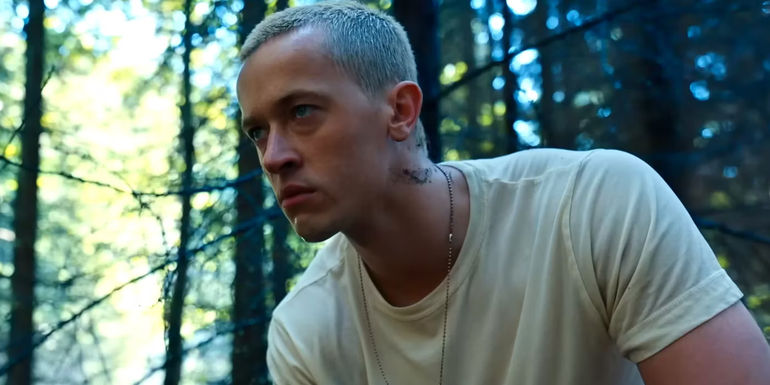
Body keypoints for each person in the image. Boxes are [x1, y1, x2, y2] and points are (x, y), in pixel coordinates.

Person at [235, 1, 770, 384]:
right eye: (257, 131)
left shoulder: (591, 204)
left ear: (399, 112)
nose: (273, 156)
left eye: (301, 112)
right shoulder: (304, 333)